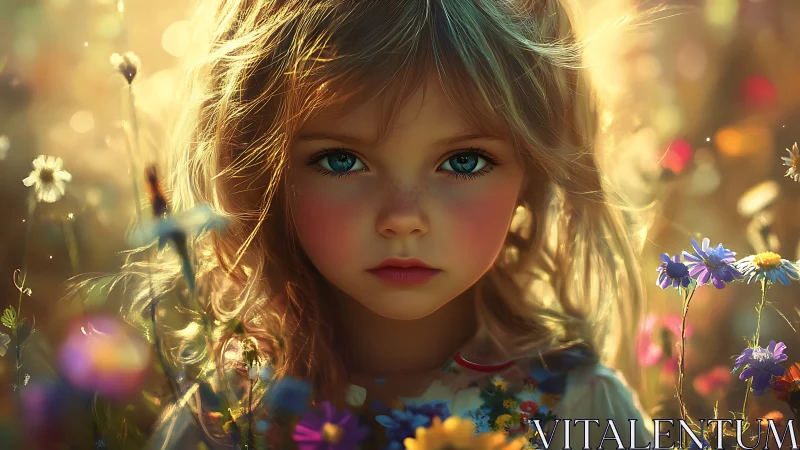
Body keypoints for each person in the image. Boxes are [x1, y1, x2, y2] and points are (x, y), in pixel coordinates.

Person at [116, 0, 656, 448]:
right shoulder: (229, 422)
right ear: (263, 172)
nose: (402, 219)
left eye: (463, 161)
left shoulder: (580, 412)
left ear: (532, 173)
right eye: (342, 160)